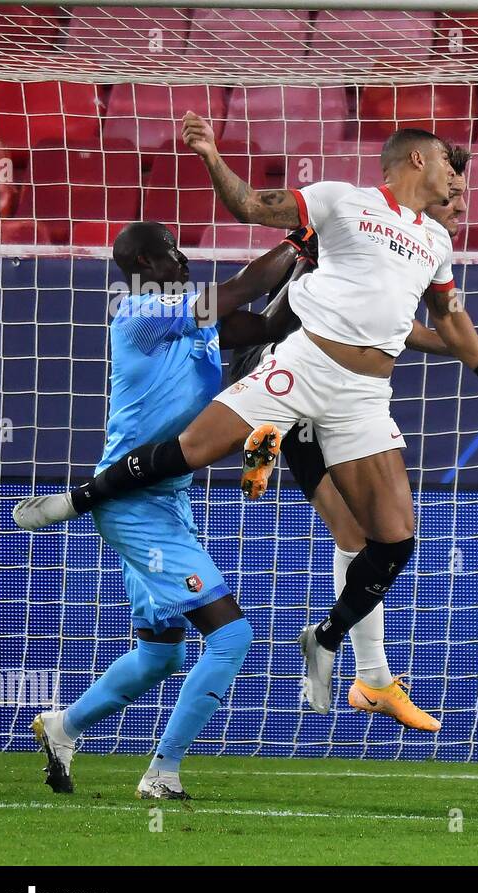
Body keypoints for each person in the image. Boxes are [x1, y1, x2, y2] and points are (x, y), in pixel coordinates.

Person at [13, 120, 478, 724]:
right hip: (299, 366)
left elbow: (447, 318)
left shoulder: (435, 245)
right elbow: (250, 208)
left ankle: (328, 640)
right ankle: (85, 497)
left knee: (394, 541)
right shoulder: (343, 201)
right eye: (449, 163)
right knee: (194, 451)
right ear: (417, 160)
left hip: (363, 395)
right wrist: (211, 154)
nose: (457, 178)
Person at [224, 143, 478, 727]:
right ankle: (267, 431)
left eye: (464, 198)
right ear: (428, 177)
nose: (461, 207)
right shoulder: (352, 216)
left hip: (337, 387)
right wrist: (206, 311)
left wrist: (469, 352)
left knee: (360, 532)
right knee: (355, 529)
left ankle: (371, 678)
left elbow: (400, 330)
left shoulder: (418, 247)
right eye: (455, 194)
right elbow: (271, 259)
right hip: (283, 360)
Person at [32, 220, 310, 799]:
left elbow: (268, 322)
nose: (180, 260)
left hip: (167, 498)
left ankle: (63, 728)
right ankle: (162, 773)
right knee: (232, 636)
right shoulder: (141, 312)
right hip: (133, 502)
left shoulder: (194, 321)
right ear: (141, 267)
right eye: (168, 255)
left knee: (160, 652)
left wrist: (314, 270)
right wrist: (297, 240)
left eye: (181, 252)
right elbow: (237, 291)